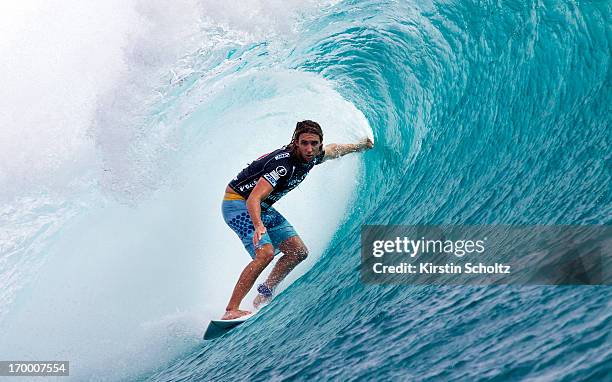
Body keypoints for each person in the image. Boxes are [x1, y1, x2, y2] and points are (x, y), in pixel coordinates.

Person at [220, 120, 374, 320]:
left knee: (298, 252)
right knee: (265, 253)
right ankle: (231, 309)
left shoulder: (313, 156)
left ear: (319, 143)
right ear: (295, 142)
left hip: (263, 206)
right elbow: (254, 198)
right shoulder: (283, 165)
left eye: (314, 143)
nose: (309, 149)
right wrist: (258, 226)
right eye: (304, 143)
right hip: (238, 205)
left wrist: (359, 146)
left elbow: (333, 150)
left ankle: (263, 294)